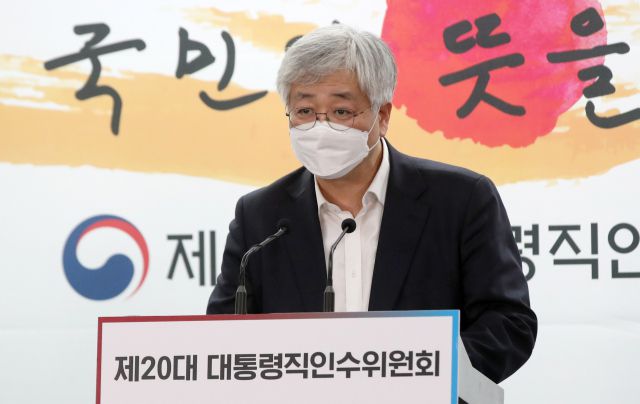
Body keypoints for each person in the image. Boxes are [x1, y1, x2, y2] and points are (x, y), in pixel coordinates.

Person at [207, 24, 536, 383]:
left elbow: (508, 322)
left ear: (382, 116)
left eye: (341, 112)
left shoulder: (462, 200)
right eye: (304, 110)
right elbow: (223, 338)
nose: (320, 127)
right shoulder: (260, 217)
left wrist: (426, 374)